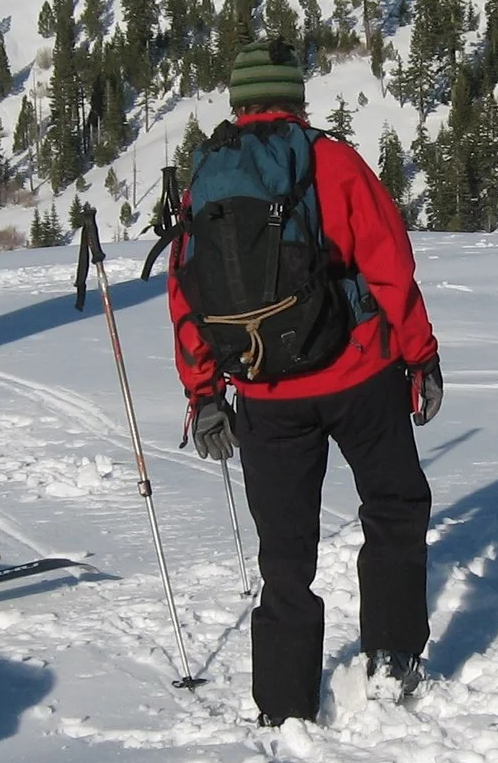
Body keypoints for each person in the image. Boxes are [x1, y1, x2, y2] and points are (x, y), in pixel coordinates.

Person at [168, 40, 442, 725]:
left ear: (238, 104)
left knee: (285, 553)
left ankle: (283, 702)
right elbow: (390, 269)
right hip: (359, 372)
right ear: (295, 99)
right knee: (393, 504)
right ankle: (392, 656)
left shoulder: (208, 179)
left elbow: (187, 295)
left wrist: (204, 395)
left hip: (262, 391)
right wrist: (421, 356)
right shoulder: (332, 162)